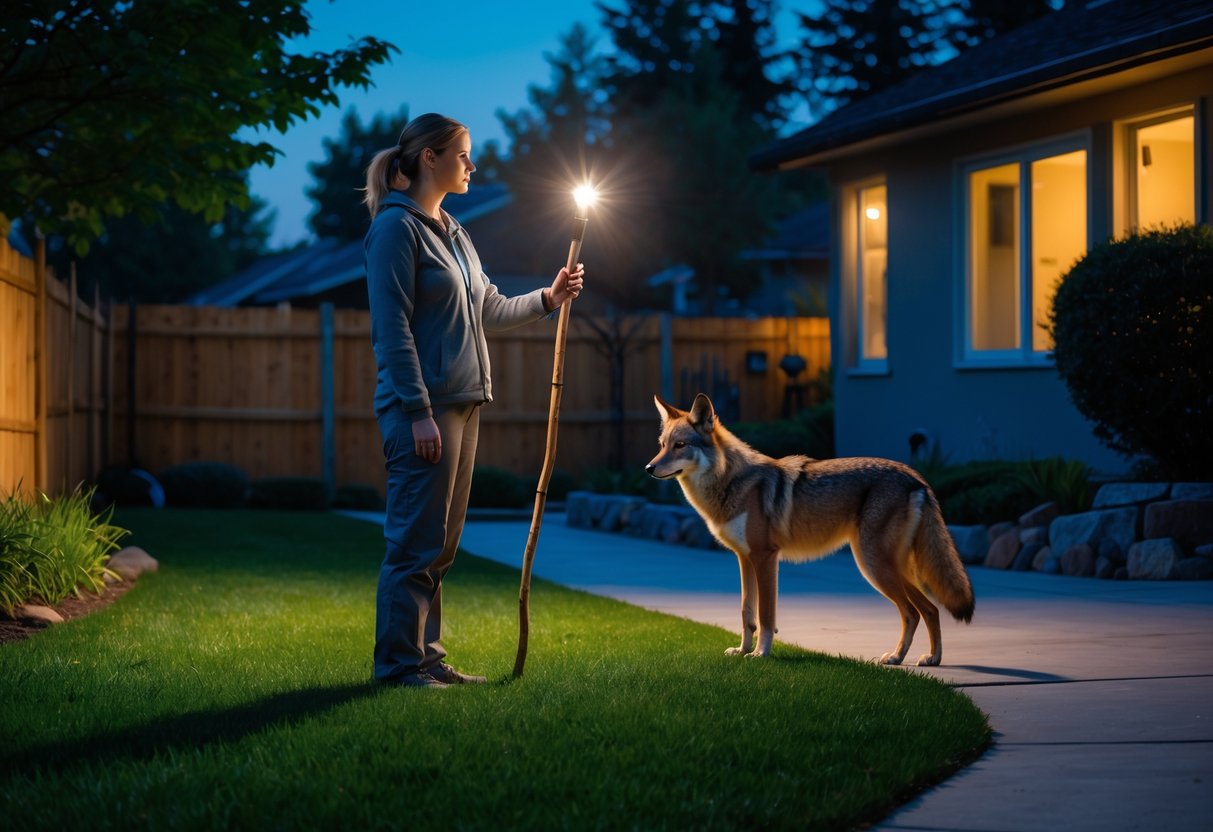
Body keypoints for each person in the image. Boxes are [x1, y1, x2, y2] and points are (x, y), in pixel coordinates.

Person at [362, 113, 585, 688]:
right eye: (463, 155)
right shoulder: (395, 230)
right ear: (429, 158)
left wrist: (547, 297)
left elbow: (488, 308)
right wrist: (416, 412)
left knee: (442, 546)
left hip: (462, 404)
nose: (472, 165)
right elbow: (393, 331)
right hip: (424, 410)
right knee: (414, 542)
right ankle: (397, 666)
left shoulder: (454, 232)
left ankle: (427, 658)